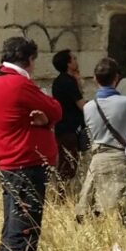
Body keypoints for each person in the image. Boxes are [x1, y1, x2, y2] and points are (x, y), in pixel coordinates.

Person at [0, 36, 62, 251]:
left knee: (15, 228)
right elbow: (55, 109)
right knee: (22, 231)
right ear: (29, 60)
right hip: (24, 167)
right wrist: (47, 118)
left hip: (14, 167)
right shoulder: (19, 84)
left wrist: (42, 122)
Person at [77, 57, 126, 229]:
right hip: (122, 159)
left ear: (95, 78)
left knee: (95, 213)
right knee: (125, 213)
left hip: (98, 160)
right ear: (117, 78)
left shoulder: (88, 107)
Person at [51, 49, 85, 186]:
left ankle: (62, 196)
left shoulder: (60, 81)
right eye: (74, 59)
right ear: (68, 63)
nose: (76, 61)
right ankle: (61, 198)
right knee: (68, 165)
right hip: (69, 129)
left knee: (67, 163)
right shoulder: (68, 82)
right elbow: (81, 105)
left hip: (63, 128)